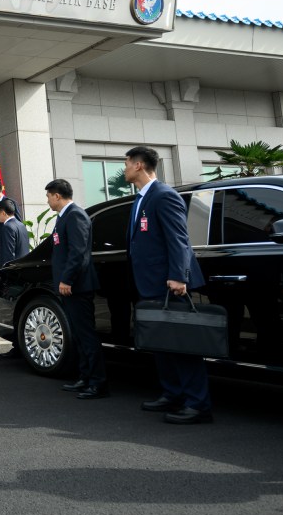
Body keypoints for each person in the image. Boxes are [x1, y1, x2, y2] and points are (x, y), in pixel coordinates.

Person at [123, 146, 212, 424]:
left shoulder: (163, 195)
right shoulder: (140, 199)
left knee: (181, 343)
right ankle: (172, 393)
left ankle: (198, 404)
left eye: (126, 163)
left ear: (139, 165)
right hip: (149, 283)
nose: (123, 168)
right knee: (161, 343)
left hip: (169, 283)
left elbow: (178, 239)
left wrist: (179, 276)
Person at [46, 178, 107, 399]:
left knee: (86, 335)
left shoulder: (75, 215)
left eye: (48, 196)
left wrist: (67, 280)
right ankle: (84, 377)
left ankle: (98, 382)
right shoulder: (63, 217)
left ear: (57, 196)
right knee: (78, 336)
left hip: (77, 286)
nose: (48, 201)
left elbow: (78, 252)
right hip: (69, 287)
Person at [0, 198, 30, 266]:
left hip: (13, 270)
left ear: (3, 213)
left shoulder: (7, 227)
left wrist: (5, 270)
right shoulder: (21, 225)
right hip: (23, 266)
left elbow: (8, 253)